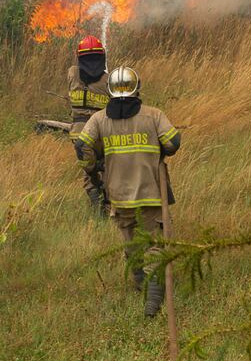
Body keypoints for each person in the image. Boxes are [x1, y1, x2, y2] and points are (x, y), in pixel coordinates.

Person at [75, 66, 181, 318]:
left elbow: (81, 146)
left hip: (118, 196)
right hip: (151, 193)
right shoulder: (153, 115)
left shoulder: (99, 119)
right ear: (138, 87)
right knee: (155, 244)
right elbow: (173, 142)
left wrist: (92, 169)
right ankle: (153, 301)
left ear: (110, 92)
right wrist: (159, 150)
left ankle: (140, 286)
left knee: (131, 244)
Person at [68, 36, 111, 216]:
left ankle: (97, 207)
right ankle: (109, 206)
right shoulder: (107, 80)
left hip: (78, 135)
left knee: (89, 172)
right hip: (101, 134)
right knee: (108, 167)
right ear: (102, 56)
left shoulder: (72, 73)